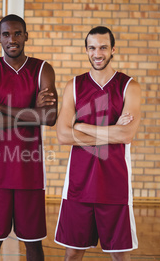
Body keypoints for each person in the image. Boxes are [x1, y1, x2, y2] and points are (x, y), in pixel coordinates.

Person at [0, 14, 57, 261]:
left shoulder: (43, 68)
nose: (12, 39)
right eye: (7, 34)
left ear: (26, 36)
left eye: (18, 33)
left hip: (29, 170)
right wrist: (34, 113)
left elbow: (50, 117)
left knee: (33, 243)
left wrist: (2, 108)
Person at [55, 26, 141, 261]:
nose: (98, 53)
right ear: (86, 51)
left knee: (119, 256)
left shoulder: (129, 86)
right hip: (78, 184)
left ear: (113, 49)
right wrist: (112, 131)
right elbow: (62, 135)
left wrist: (80, 127)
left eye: (103, 47)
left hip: (115, 185)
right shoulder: (73, 86)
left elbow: (126, 135)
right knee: (72, 254)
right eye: (92, 48)